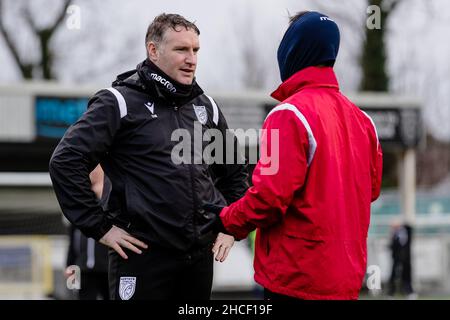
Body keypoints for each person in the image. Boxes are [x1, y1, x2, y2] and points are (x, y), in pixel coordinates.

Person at [49, 13, 248, 300]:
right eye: (181, 49)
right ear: (153, 51)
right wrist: (101, 227)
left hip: (198, 261)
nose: (191, 58)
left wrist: (231, 227)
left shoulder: (208, 108)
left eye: (196, 50)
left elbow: (235, 173)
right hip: (142, 259)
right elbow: (65, 161)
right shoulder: (118, 102)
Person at [201, 11, 383, 300]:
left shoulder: (289, 114)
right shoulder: (364, 121)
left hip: (296, 279)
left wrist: (226, 219)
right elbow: (369, 191)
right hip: (346, 281)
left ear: (293, 50)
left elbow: (269, 198)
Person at [65, 165, 110, 300]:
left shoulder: (109, 199)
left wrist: (101, 192)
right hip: (82, 268)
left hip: (106, 268)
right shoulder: (81, 202)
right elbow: (72, 241)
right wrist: (70, 265)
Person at [387, 220, 416, 299]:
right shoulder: (394, 234)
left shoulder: (405, 232)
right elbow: (392, 246)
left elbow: (403, 244)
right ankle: (391, 293)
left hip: (405, 259)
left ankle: (409, 292)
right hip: (396, 259)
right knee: (394, 276)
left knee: (406, 275)